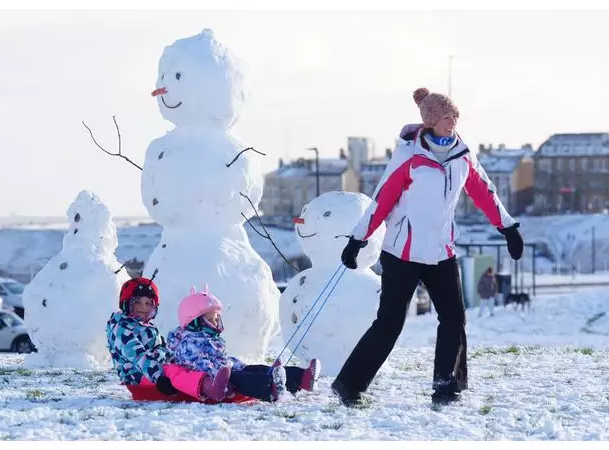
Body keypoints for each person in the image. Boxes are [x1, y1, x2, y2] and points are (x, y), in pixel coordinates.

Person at [332, 87, 524, 406]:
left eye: (455, 117)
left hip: (440, 251)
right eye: (446, 117)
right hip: (402, 252)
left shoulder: (463, 155)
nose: (452, 122)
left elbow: (484, 192)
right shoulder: (409, 156)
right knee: (390, 323)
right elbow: (382, 200)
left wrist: (508, 226)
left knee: (453, 318)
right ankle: (348, 384)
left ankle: (446, 384)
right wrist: (358, 237)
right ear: (430, 121)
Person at [166, 286, 321, 403]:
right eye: (212, 319)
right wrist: (222, 373)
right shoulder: (188, 342)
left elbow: (222, 358)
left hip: (228, 369)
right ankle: (270, 388)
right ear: (195, 321)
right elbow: (198, 365)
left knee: (256, 369)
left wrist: (235, 364)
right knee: (244, 379)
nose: (216, 323)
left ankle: (302, 378)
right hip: (218, 377)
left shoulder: (210, 338)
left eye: (216, 318)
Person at [106, 277, 226, 400]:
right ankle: (208, 387)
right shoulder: (121, 329)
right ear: (127, 303)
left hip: (157, 372)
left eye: (148, 303)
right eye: (137, 302)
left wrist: (183, 360)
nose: (143, 307)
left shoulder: (149, 327)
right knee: (173, 371)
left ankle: (227, 380)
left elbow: (166, 350)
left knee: (186, 366)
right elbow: (139, 357)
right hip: (139, 377)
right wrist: (158, 377)